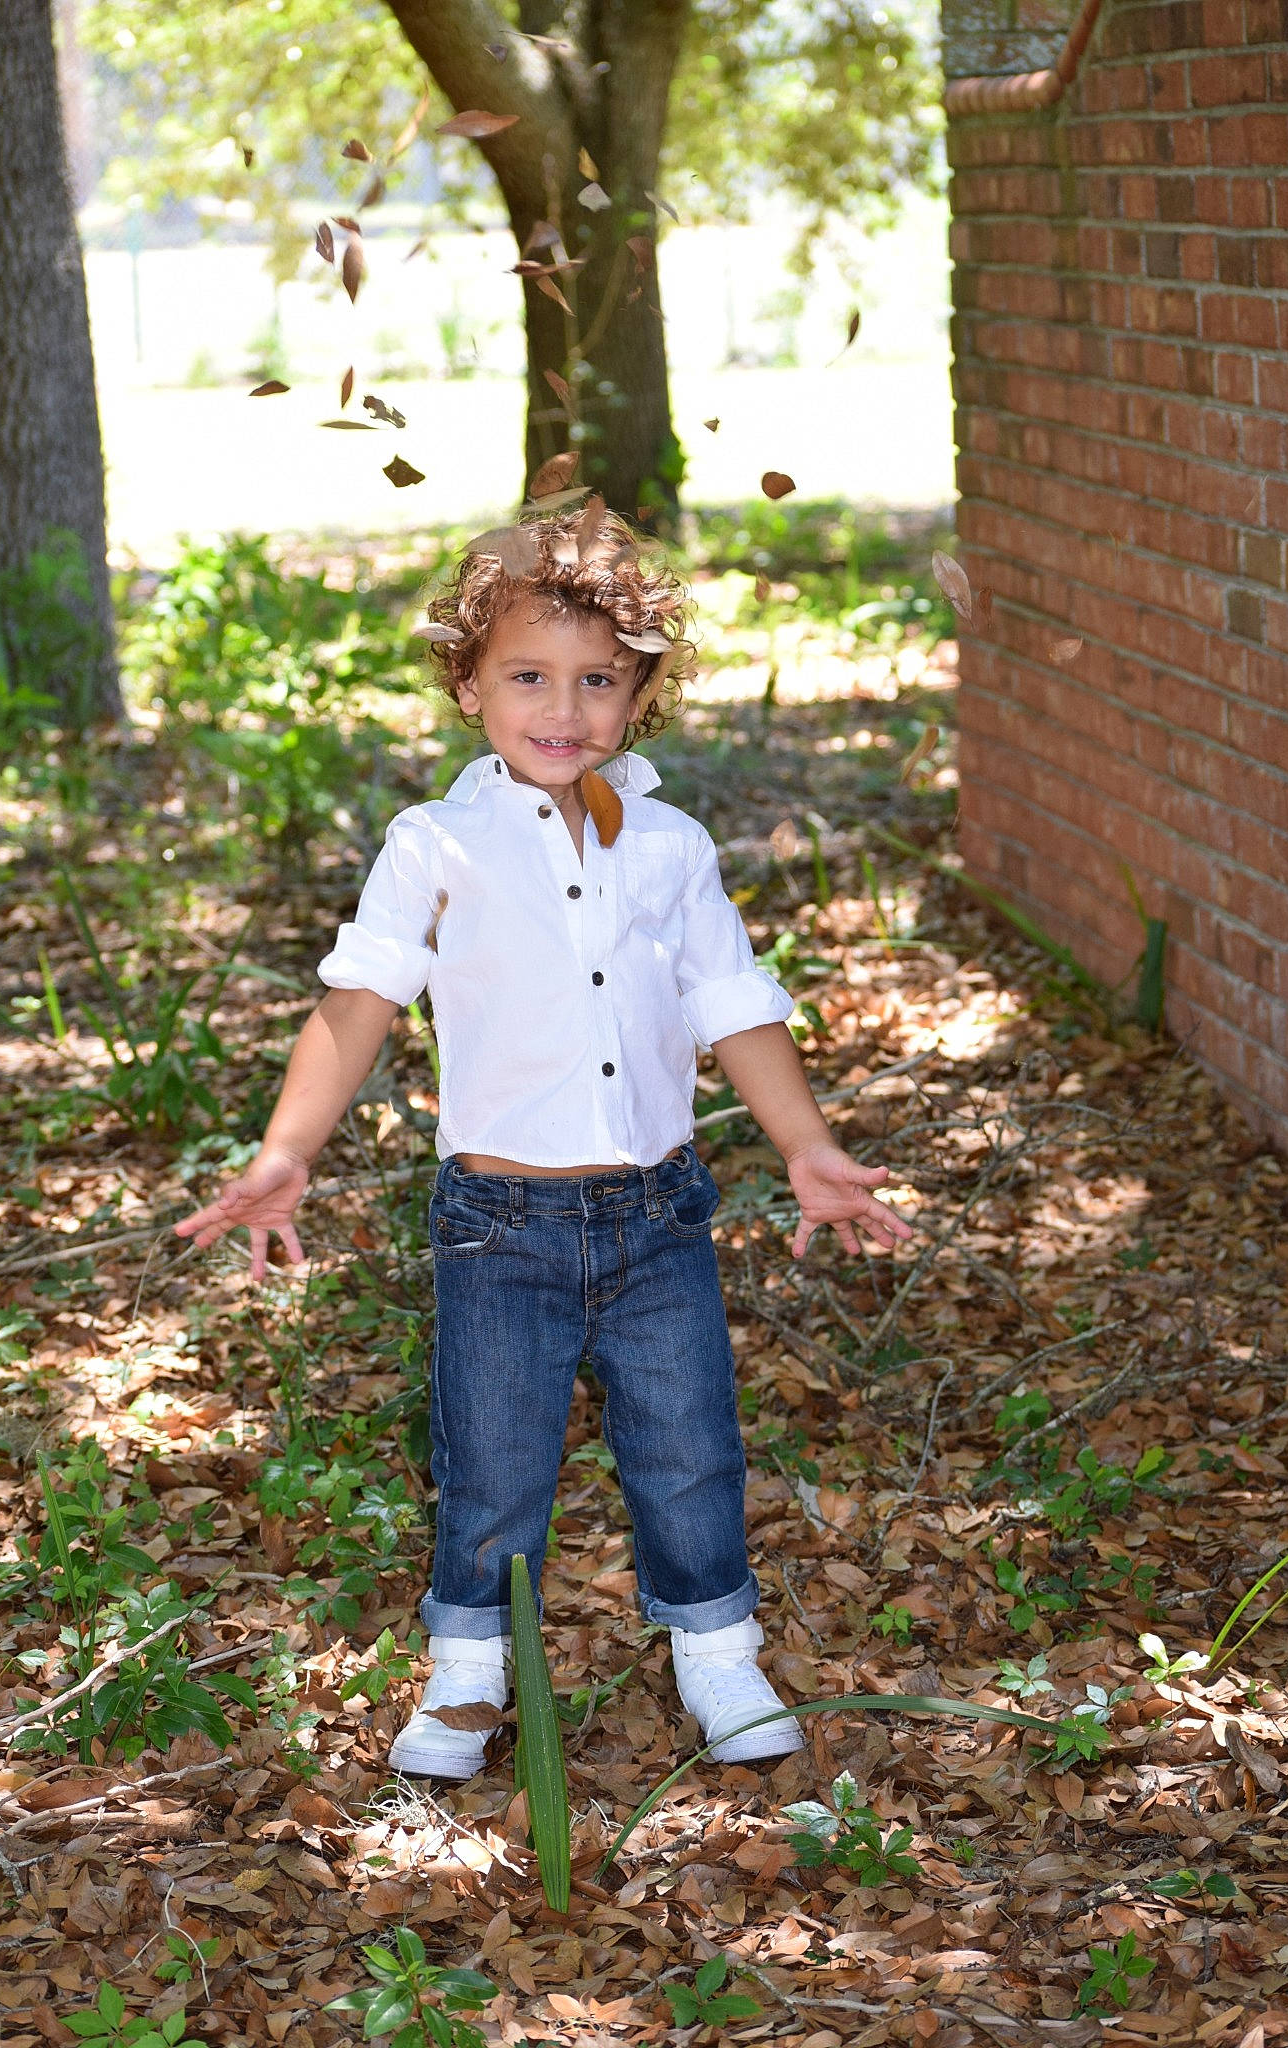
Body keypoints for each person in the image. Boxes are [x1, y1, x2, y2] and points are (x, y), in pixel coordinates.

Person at [175, 501, 912, 1782]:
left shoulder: (673, 848)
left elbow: (733, 1003)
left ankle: (718, 1653)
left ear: (640, 694)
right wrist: (288, 1148)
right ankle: (468, 1670)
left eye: (598, 680)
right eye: (528, 676)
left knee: (689, 1450)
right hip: (498, 1224)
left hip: (658, 1216)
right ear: (468, 684)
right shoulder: (435, 847)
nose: (563, 708)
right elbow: (357, 1007)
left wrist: (804, 1144)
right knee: (493, 1457)